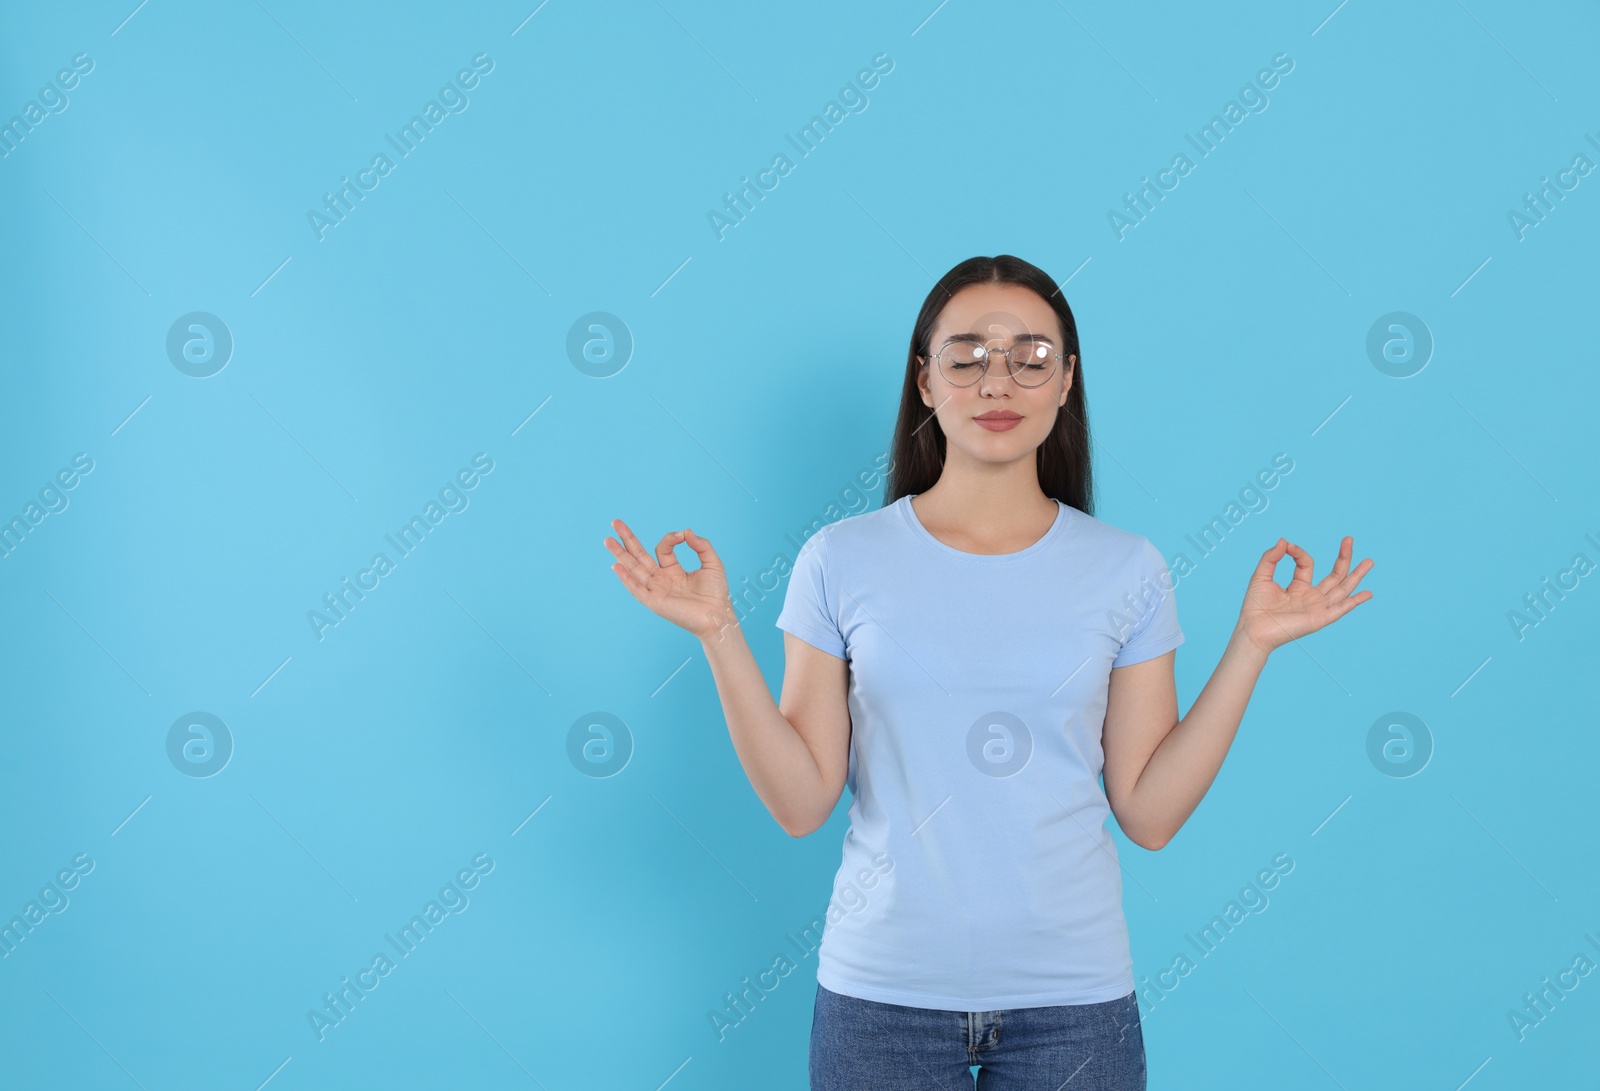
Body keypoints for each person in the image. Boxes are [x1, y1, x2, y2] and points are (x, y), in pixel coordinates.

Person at [603, 254, 1373, 1089]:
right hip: (881, 998)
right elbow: (801, 802)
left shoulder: (1128, 571)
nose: (997, 380)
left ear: (1067, 379)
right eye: (967, 355)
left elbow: (1149, 813)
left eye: (1030, 356)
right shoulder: (840, 561)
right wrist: (719, 631)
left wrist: (1251, 642)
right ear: (926, 381)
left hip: (1075, 1003)